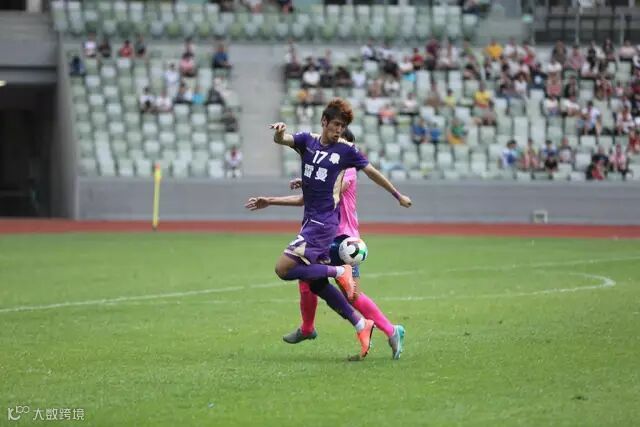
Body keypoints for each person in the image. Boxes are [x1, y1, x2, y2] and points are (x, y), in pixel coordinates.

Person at [266, 99, 412, 360]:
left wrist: (397, 194)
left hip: (341, 236)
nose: (339, 132)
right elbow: (291, 147)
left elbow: (348, 182)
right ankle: (328, 326)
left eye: (343, 129)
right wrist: (301, 173)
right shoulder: (313, 145)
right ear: (325, 122)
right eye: (336, 126)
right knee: (311, 281)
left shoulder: (347, 161)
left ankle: (389, 330)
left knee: (345, 292)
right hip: (322, 228)